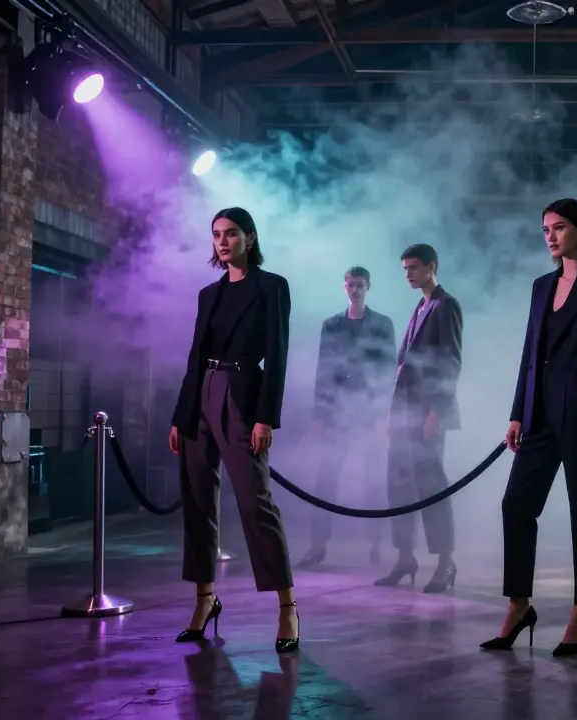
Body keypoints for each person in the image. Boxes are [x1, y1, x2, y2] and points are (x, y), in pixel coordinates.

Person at [480, 198, 577, 658]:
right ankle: (518, 605)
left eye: (559, 227)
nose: (550, 235)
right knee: (516, 505)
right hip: (539, 412)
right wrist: (516, 412)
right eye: (545, 228)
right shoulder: (540, 286)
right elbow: (530, 355)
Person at [168, 207, 299, 653]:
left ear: (250, 237)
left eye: (231, 234)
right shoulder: (209, 293)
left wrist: (267, 417)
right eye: (217, 235)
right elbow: (193, 356)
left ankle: (287, 607)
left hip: (243, 397)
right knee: (198, 503)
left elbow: (278, 356)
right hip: (200, 395)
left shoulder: (272, 286)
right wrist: (180, 414)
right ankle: (205, 601)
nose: (222, 242)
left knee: (255, 504)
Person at [375, 244, 463, 594]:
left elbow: (451, 362)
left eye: (414, 267)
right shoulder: (420, 305)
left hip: (428, 411)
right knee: (397, 484)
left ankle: (445, 562)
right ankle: (405, 557)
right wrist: (391, 412)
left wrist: (437, 411)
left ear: (431, 267)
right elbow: (402, 365)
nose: (408, 274)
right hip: (404, 411)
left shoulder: (446, 305)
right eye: (405, 268)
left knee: (432, 486)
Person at [298, 266, 397, 570]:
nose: (355, 290)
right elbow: (323, 371)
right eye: (351, 285)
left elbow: (388, 370)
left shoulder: (382, 324)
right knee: (326, 478)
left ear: (368, 287)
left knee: (373, 480)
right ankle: (318, 546)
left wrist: (384, 415)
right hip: (337, 411)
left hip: (369, 410)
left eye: (360, 285)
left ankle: (376, 545)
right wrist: (320, 414)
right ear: (344, 287)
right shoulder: (331, 325)